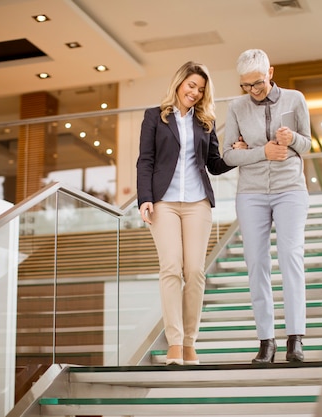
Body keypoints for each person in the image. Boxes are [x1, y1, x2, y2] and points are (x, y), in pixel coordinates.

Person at [136, 61, 245, 365]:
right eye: (191, 85)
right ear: (179, 82)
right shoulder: (154, 118)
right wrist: (144, 198)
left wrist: (234, 153)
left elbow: (214, 165)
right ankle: (174, 343)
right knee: (171, 268)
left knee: (194, 272)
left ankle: (190, 343)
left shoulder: (204, 122)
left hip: (197, 203)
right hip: (164, 204)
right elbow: (145, 160)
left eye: (201, 89)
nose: (195, 93)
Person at [223, 49, 312, 363]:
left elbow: (309, 144)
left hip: (290, 189)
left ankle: (296, 339)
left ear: (270, 73)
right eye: (246, 86)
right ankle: (266, 342)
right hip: (251, 193)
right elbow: (228, 155)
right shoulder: (236, 107)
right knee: (256, 263)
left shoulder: (295, 99)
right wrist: (264, 152)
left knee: (291, 257)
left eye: (257, 83)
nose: (253, 91)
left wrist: (292, 141)